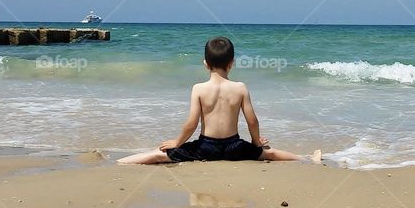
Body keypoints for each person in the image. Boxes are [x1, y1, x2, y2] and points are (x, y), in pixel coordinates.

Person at [118, 37, 320, 165]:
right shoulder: (240, 88)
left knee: (159, 155)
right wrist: (256, 141)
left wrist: (177, 142)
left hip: (206, 147)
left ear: (205, 64)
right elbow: (252, 121)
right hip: (234, 148)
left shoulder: (198, 89)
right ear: (231, 64)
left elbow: (191, 123)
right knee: (270, 153)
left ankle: (120, 162)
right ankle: (308, 159)